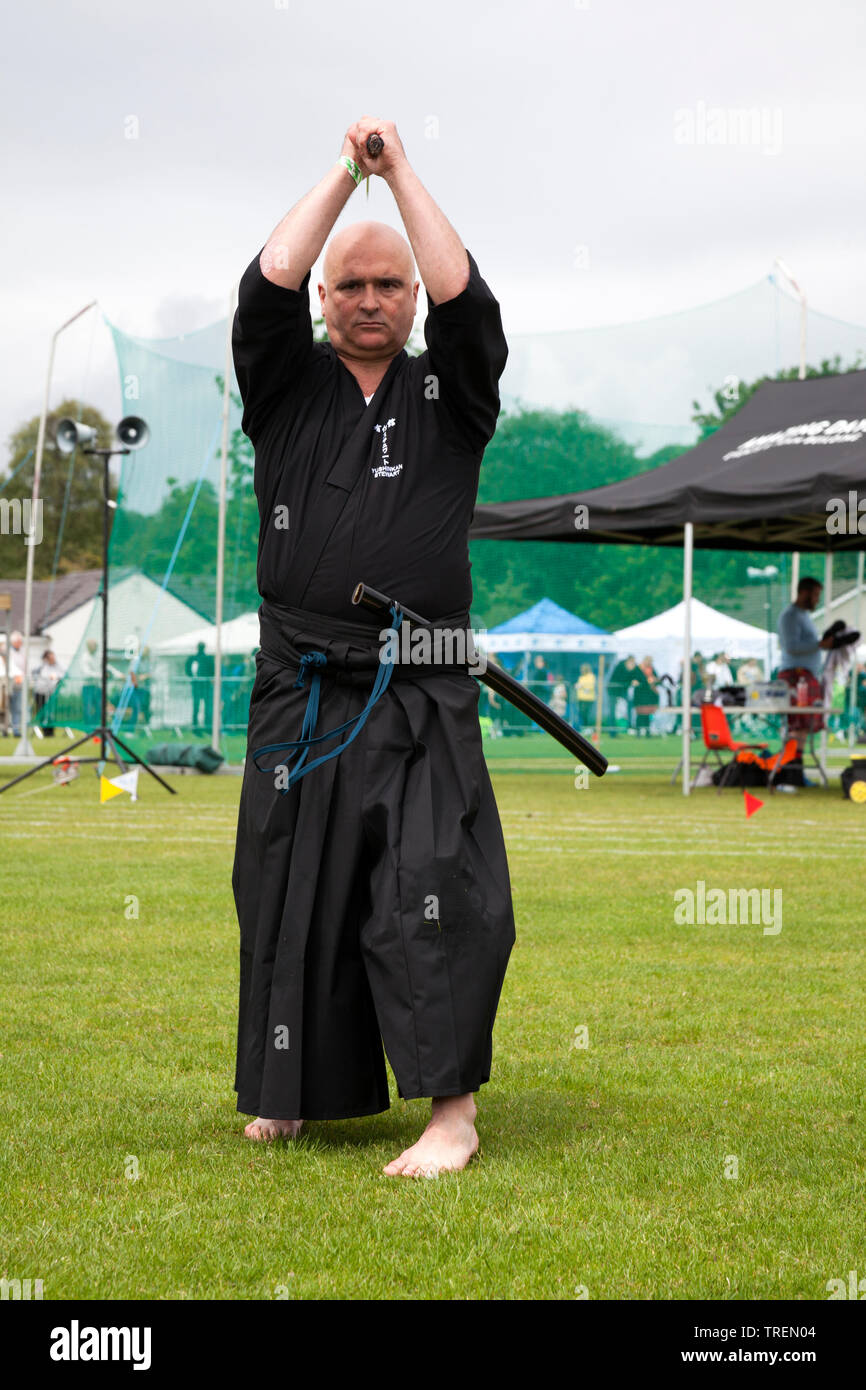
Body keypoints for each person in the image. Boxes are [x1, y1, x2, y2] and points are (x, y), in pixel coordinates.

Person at [230, 116, 514, 1177]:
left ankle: (452, 1112)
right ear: (324, 300)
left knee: (431, 883)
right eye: (347, 286)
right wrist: (342, 174)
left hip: (420, 684)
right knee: (282, 884)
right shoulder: (284, 388)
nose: (367, 299)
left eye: (386, 286)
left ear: (408, 300)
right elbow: (264, 284)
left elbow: (467, 304)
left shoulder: (453, 395)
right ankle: (291, 1090)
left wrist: (397, 179)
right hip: (298, 684)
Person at [777, 576, 834, 751]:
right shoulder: (790, 616)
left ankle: (796, 767)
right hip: (796, 676)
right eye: (815, 595)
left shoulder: (804, 616)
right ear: (804, 592)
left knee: (804, 725)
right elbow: (790, 646)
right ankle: (791, 767)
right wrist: (819, 644)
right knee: (797, 723)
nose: (817, 599)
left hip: (807, 675)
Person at [32, 648, 64, 736]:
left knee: (51, 712)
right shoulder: (41, 666)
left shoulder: (57, 665)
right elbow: (38, 675)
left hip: (51, 692)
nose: (53, 659)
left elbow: (62, 674)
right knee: (42, 711)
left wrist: (56, 677)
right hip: (41, 692)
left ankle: (51, 731)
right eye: (50, 657)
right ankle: (45, 731)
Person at [185, 641, 214, 733]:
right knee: (203, 707)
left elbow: (188, 670)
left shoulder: (195, 658)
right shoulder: (206, 658)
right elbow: (212, 671)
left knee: (199, 707)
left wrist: (193, 678)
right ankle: (204, 728)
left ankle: (199, 728)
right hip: (202, 685)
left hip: (201, 685)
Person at [607, 654, 639, 736]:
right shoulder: (619, 667)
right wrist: (630, 682)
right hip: (613, 690)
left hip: (623, 690)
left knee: (630, 704)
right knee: (612, 711)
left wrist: (635, 680)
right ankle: (612, 731)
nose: (633, 665)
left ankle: (630, 726)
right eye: (631, 663)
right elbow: (620, 679)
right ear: (627, 662)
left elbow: (637, 676)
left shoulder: (634, 668)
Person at [633, 655, 660, 736]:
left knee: (648, 714)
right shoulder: (638, 669)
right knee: (640, 714)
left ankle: (647, 731)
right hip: (640, 695)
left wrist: (654, 680)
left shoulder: (652, 670)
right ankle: (638, 731)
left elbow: (657, 679)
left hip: (649, 696)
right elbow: (636, 679)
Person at [6, 630, 25, 736]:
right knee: (5, 707)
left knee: (17, 708)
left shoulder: (22, 652)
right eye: (18, 641)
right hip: (7, 683)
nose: (20, 643)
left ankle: (16, 729)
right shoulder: (7, 652)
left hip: (18, 684)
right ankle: (4, 729)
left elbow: (24, 668)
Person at [80, 639, 101, 728]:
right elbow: (87, 673)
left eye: (96, 646)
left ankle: (95, 726)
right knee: (87, 708)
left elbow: (106, 667)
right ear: (89, 647)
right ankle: (88, 728)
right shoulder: (84, 658)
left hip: (97, 686)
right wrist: (101, 675)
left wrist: (118, 674)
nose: (95, 648)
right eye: (93, 646)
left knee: (99, 707)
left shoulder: (98, 657)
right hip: (87, 687)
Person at [575, 662, 596, 729]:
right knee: (581, 713)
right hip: (580, 698)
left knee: (586, 714)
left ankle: (588, 728)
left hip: (588, 699)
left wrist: (582, 686)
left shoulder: (591, 676)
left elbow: (590, 686)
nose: (581, 670)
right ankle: (583, 727)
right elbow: (578, 685)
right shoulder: (581, 677)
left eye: (582, 669)